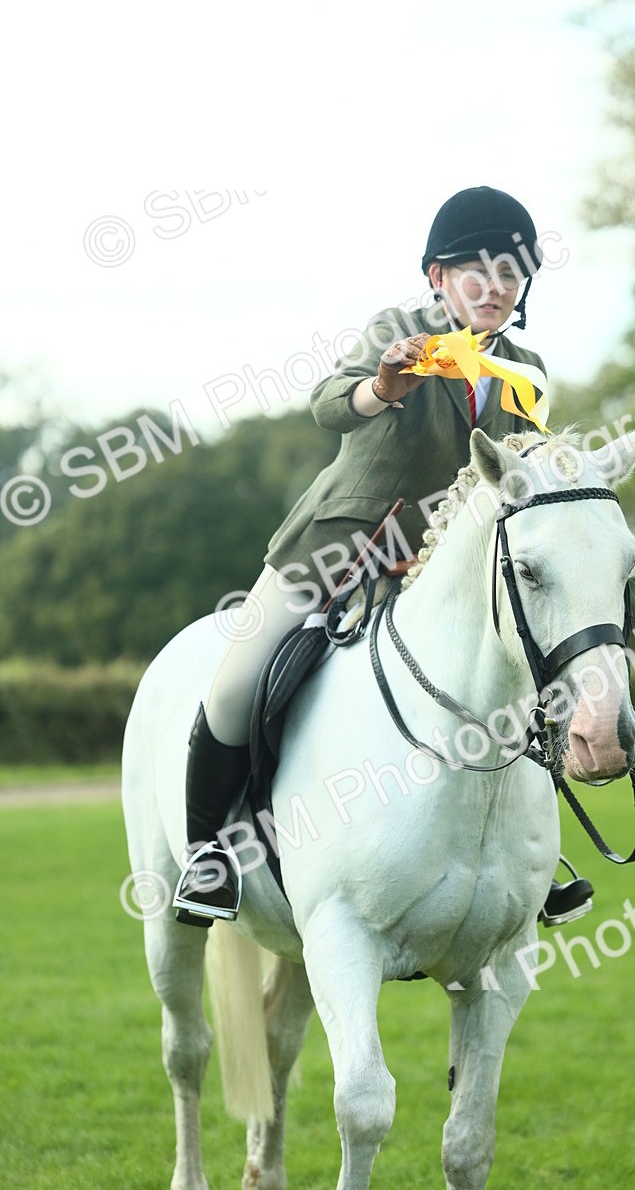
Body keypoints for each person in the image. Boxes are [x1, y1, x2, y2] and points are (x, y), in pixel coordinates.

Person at [174, 185, 593, 928]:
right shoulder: (401, 334)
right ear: (439, 277)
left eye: (511, 274)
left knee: (520, 677)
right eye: (478, 271)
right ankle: (208, 856)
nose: (495, 287)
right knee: (236, 682)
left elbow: (523, 473)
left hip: (450, 569)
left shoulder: (525, 369)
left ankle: (529, 859)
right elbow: (328, 404)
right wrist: (382, 387)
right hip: (343, 546)